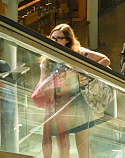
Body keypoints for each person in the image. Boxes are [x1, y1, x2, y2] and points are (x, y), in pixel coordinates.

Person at [40, 24, 110, 158]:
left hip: (78, 102)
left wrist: (82, 73)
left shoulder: (78, 52)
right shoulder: (47, 59)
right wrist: (53, 81)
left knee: (82, 146)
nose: (54, 41)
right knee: (63, 147)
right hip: (58, 105)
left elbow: (105, 60)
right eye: (52, 38)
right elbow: (42, 82)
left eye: (58, 38)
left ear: (67, 39)